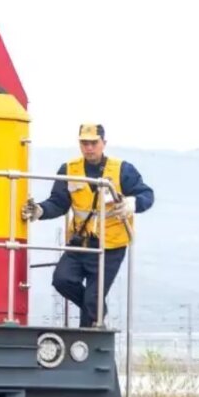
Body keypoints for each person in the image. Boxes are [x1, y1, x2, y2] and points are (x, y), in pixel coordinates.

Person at [21, 123, 154, 327]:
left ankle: (91, 327)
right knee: (62, 280)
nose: (89, 148)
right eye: (84, 143)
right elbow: (58, 202)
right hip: (80, 243)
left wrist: (131, 203)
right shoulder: (69, 170)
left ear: (103, 143)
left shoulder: (122, 170)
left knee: (93, 299)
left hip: (110, 247)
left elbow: (147, 194)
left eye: (93, 143)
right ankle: (97, 311)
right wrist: (40, 210)